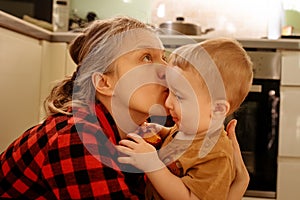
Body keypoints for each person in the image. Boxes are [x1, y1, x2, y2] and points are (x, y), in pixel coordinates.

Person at [0, 15, 249, 199]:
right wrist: (236, 190)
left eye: (163, 57)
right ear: (104, 83)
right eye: (146, 58)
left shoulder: (139, 132)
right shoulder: (77, 139)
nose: (165, 70)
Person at [117, 38, 253, 200]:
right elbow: (174, 137)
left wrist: (151, 164)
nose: (168, 103)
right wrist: (161, 131)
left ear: (217, 109)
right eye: (170, 91)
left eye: (179, 96)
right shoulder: (188, 128)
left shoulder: (216, 155)